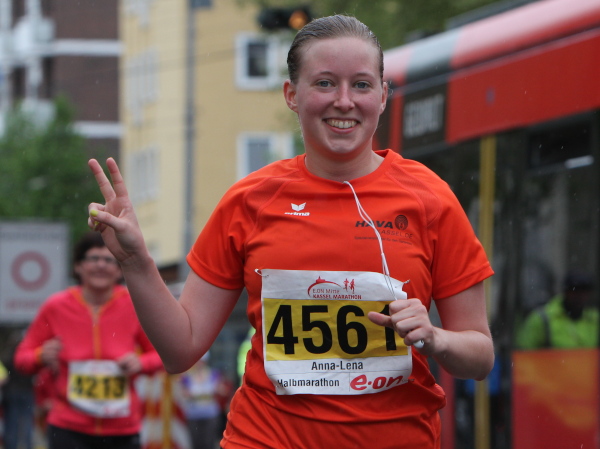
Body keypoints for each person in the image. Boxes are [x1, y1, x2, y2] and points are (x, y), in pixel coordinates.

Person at [86, 15, 494, 449]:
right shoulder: (250, 200)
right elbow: (180, 349)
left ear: (383, 96)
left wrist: (436, 338)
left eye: (361, 85)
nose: (344, 101)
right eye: (324, 83)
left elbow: (480, 356)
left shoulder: (430, 198)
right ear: (291, 95)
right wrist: (135, 261)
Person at [14, 232, 163, 449]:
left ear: (119, 270)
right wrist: (40, 356)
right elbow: (21, 359)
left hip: (122, 428)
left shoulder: (135, 305)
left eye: (109, 260)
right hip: (67, 428)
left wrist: (141, 363)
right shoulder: (55, 306)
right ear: (78, 266)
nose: (101, 265)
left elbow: (163, 355)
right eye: (93, 258)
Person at [516, 271, 597, 349]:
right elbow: (523, 352)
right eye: (574, 291)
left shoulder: (595, 319)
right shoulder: (542, 319)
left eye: (584, 292)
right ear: (565, 291)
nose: (579, 296)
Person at [178, 353, 230, 449]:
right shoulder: (187, 376)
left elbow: (223, 391)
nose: (199, 364)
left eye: (201, 361)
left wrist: (217, 390)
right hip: (193, 415)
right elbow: (182, 393)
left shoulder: (213, 374)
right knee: (195, 443)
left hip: (210, 415)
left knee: (208, 442)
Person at [1, 329, 35, 449]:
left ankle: (12, 446)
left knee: (12, 422)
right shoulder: (27, 356)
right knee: (27, 421)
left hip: (11, 393)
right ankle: (27, 445)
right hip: (26, 392)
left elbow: (4, 376)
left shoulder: (8, 357)